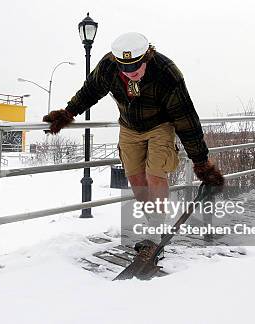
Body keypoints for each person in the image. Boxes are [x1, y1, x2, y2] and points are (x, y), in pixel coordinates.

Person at [42, 32, 224, 261]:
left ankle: (156, 233)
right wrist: (68, 113)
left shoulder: (166, 73)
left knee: (155, 173)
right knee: (136, 178)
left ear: (147, 56)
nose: (130, 72)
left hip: (160, 125)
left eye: (136, 66)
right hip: (129, 127)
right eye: (124, 68)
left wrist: (202, 164)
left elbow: (185, 119)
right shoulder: (109, 66)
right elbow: (90, 90)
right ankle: (154, 223)